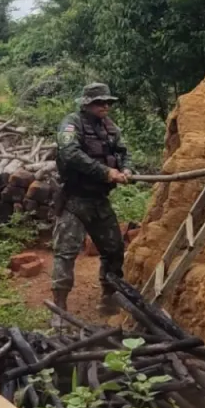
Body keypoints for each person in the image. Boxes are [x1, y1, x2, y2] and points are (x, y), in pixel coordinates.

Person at [50, 82, 133, 328]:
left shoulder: (110, 127)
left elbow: (124, 151)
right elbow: (70, 154)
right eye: (99, 102)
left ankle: (109, 297)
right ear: (86, 104)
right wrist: (106, 172)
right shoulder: (70, 124)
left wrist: (126, 168)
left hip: (99, 200)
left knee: (114, 249)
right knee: (65, 253)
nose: (104, 106)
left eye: (107, 102)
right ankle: (59, 307)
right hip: (75, 200)